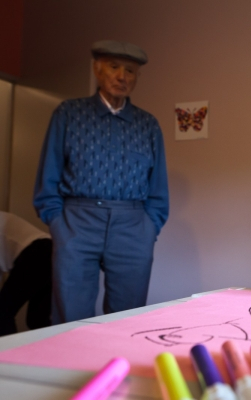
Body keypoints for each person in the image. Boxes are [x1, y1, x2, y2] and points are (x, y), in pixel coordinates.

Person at [33, 40, 169, 324]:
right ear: (97, 69)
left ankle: (118, 368)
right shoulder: (68, 114)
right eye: (114, 67)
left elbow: (158, 187)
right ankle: (68, 368)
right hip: (76, 223)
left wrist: (149, 227)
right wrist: (58, 224)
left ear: (136, 77)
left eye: (130, 71)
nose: (122, 76)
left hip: (133, 227)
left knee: (127, 317)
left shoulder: (148, 124)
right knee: (70, 315)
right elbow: (48, 177)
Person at [0, 211, 52, 336]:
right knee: (38, 320)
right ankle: (47, 354)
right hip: (52, 252)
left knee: (2, 313)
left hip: (36, 253)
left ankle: (8, 353)